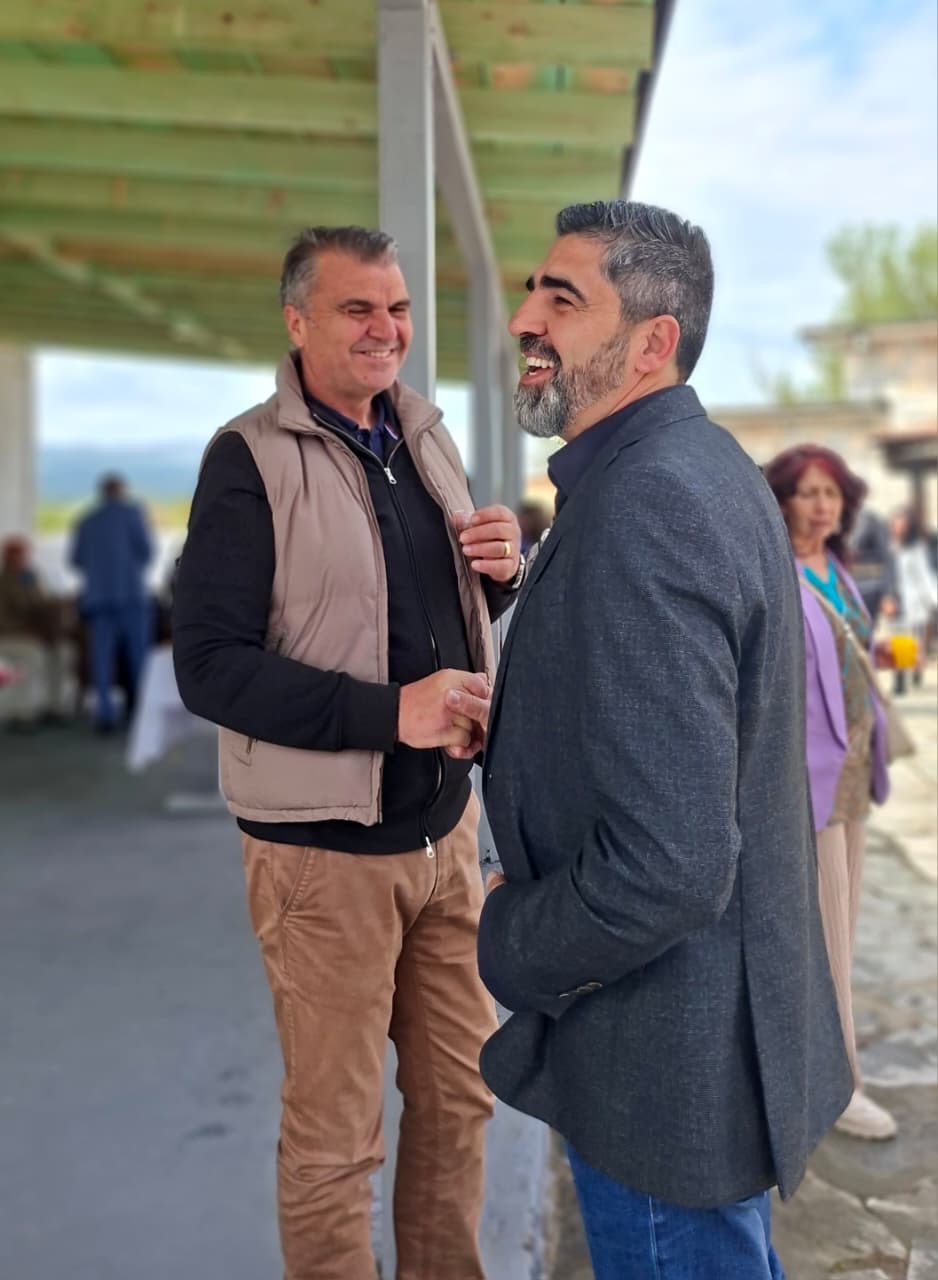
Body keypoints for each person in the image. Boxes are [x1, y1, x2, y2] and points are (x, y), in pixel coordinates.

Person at [453, 201, 852, 1279]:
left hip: (661, 1065)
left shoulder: (649, 501)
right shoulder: (688, 467)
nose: (526, 320)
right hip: (690, 1045)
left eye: (562, 300)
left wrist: (508, 932)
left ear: (650, 342)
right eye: (531, 293)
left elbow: (669, 865)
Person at [172, 225, 524, 1280]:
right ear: (297, 321)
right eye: (357, 308)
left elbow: (420, 614)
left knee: (461, 1095)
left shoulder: (423, 435)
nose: (387, 328)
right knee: (337, 1138)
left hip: (443, 833)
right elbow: (210, 667)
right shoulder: (247, 458)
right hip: (322, 856)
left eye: (398, 307)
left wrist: (501, 576)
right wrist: (389, 715)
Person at [764, 445, 897, 1141]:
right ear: (782, 499)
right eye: (808, 492)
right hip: (806, 783)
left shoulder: (834, 569)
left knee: (840, 931)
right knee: (825, 941)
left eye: (832, 493)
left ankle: (821, 1073)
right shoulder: (774, 573)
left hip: (852, 775)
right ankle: (839, 1089)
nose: (823, 505)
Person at [69, 473, 153, 732]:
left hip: (99, 599)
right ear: (122, 490)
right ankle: (141, 713)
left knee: (101, 658)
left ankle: (104, 714)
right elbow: (146, 552)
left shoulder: (86, 520)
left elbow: (76, 560)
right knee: (138, 656)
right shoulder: (134, 514)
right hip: (131, 596)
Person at [0, 536, 71, 730]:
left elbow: (41, 601)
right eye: (17, 556)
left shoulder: (31, 576)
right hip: (10, 635)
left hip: (33, 632)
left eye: (24, 556)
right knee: (33, 656)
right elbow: (19, 609)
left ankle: (54, 705)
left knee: (62, 652)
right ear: (7, 558)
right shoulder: (4, 580)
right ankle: (22, 712)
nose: (22, 560)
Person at [885, 506, 938, 693]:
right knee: (896, 640)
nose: (898, 526)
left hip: (912, 602)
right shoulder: (888, 548)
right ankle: (900, 677)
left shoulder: (916, 550)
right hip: (893, 600)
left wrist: (933, 601)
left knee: (907, 640)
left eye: (902, 523)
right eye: (896, 522)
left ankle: (908, 673)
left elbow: (924, 577)